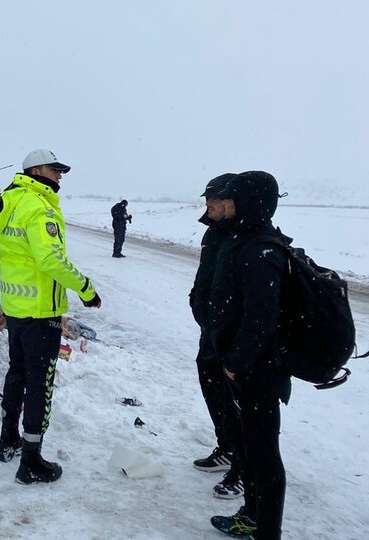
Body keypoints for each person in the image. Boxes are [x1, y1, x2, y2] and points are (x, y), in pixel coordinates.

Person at [0, 148, 101, 484]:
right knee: (40, 384)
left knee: (17, 374)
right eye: (55, 169)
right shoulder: (38, 207)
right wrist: (86, 289)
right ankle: (31, 460)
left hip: (17, 309)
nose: (60, 176)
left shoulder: (9, 201)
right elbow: (51, 261)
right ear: (36, 170)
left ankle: (8, 441)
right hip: (40, 313)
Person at [206, 171, 291, 540]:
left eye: (230, 200)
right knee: (253, 449)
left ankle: (265, 530)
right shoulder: (243, 241)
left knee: (264, 455)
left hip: (259, 370)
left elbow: (261, 319)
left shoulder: (262, 250)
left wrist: (235, 363)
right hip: (246, 367)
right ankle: (252, 515)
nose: (222, 205)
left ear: (248, 204)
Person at [189, 173, 244, 500]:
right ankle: (226, 446)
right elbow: (206, 276)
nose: (207, 204)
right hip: (210, 331)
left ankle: (243, 465)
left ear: (230, 202)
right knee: (213, 390)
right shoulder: (214, 233)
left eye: (213, 199)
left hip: (231, 335)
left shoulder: (243, 236)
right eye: (206, 199)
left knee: (237, 401)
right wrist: (196, 299)